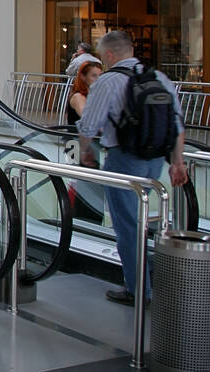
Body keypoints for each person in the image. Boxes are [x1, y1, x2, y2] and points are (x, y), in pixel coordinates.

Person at [78, 30, 187, 307]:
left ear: (111, 54)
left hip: (122, 160)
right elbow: (176, 125)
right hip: (154, 162)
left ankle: (138, 290)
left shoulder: (108, 81)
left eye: (103, 55)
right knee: (146, 219)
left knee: (128, 227)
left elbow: (89, 125)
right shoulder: (159, 77)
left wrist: (86, 151)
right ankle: (157, 279)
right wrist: (178, 162)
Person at [67, 59, 103, 125]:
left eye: (100, 76)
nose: (98, 79)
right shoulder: (78, 97)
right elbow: (89, 119)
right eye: (94, 76)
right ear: (83, 77)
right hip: (76, 134)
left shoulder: (96, 95)